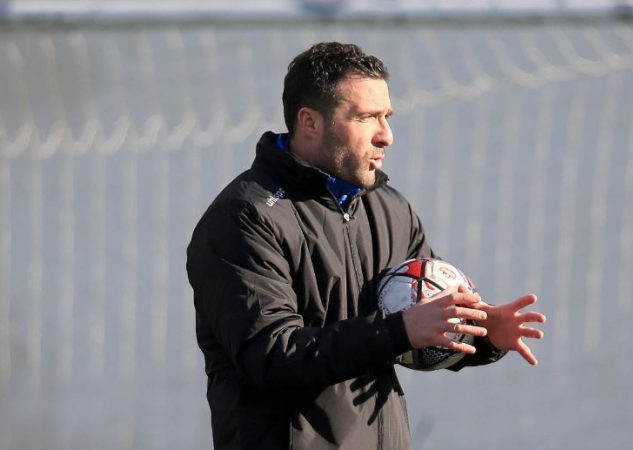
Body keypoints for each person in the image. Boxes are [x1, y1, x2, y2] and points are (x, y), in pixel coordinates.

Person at [185, 42, 546, 450]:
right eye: (366, 117)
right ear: (310, 122)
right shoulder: (245, 217)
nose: (386, 136)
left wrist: (483, 335)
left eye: (387, 117)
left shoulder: (390, 208)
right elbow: (271, 356)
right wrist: (398, 330)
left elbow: (424, 329)